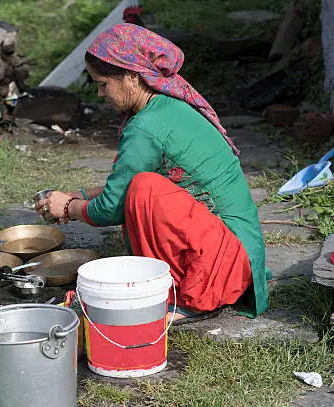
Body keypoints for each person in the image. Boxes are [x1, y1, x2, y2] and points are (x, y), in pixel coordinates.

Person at [36, 24, 269, 324]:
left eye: (104, 84)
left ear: (132, 77)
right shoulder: (168, 106)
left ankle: (190, 298)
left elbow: (112, 207)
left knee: (145, 190)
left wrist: (68, 208)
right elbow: (122, 184)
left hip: (225, 265)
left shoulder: (145, 128)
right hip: (241, 253)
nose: (100, 93)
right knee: (141, 187)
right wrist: (78, 197)